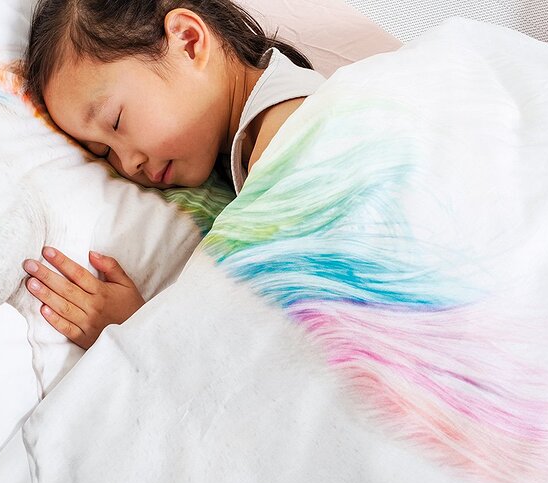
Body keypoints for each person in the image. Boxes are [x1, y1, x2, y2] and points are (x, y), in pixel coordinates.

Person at [20, 0, 324, 349]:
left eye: (115, 121)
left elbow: (280, 346)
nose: (127, 165)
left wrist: (141, 329)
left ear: (188, 42)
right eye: (103, 152)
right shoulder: (254, 137)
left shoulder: (291, 135)